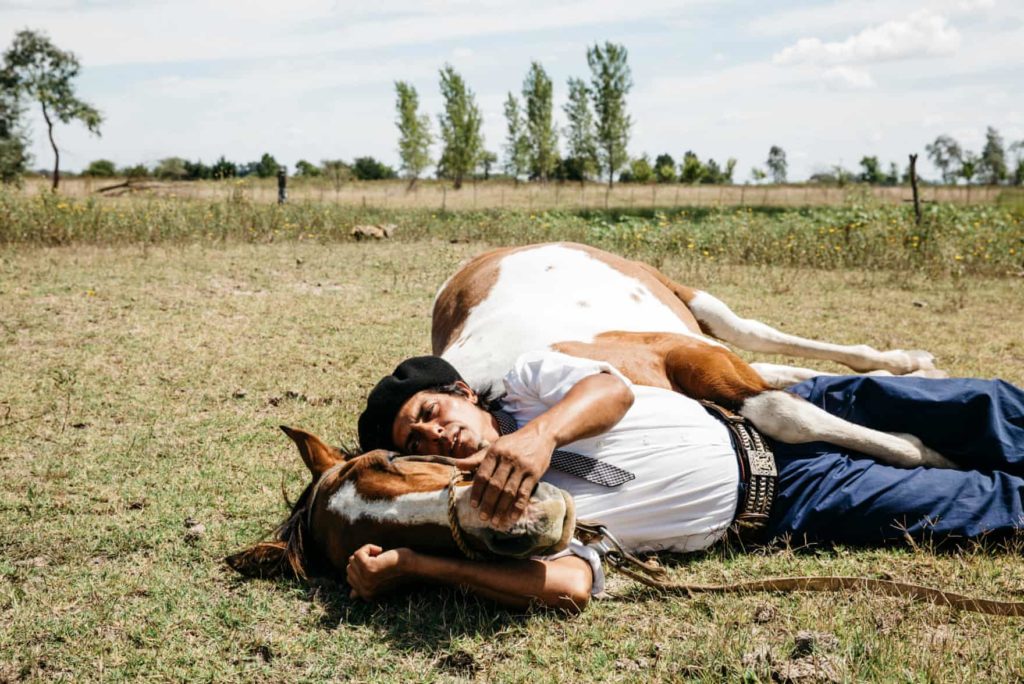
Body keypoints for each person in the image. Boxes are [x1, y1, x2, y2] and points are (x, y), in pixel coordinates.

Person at [348, 351, 1024, 612]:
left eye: (433, 413)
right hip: (791, 502)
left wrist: (539, 436)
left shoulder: (526, 385)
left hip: (784, 407)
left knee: (985, 408)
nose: (437, 435)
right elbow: (571, 585)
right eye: (417, 443)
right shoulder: (502, 514)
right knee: (983, 510)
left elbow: (609, 388)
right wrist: (418, 564)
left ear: (463, 390)